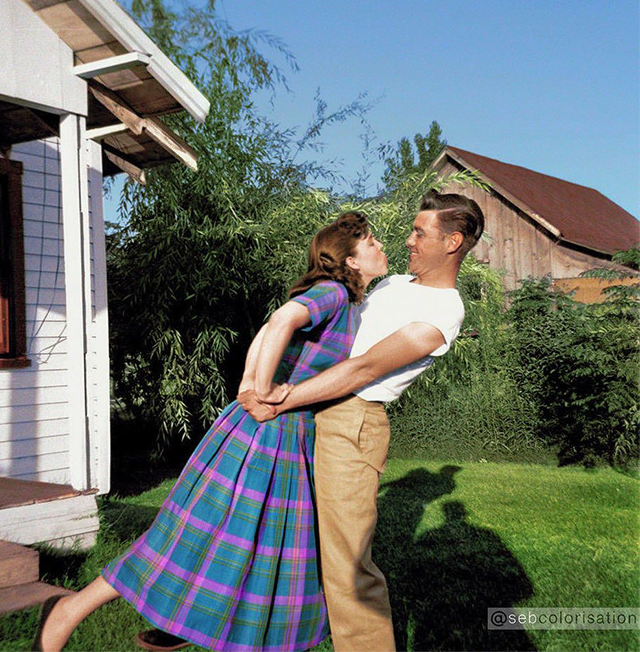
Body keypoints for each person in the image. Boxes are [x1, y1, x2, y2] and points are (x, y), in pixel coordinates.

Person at [31, 212, 389, 652]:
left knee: (261, 551)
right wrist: (259, 387)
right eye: (371, 242)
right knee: (201, 538)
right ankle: (69, 610)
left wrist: (249, 380)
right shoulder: (332, 292)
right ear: (351, 261)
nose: (380, 247)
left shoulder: (350, 304)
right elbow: (280, 321)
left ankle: (194, 622)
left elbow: (267, 329)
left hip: (288, 436)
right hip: (265, 436)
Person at [239, 188, 485, 652]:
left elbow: (363, 369)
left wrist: (280, 399)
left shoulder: (443, 313)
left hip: (349, 422)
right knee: (276, 529)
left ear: (452, 242)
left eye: (420, 232)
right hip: (313, 409)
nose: (409, 240)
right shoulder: (393, 285)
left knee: (348, 565)